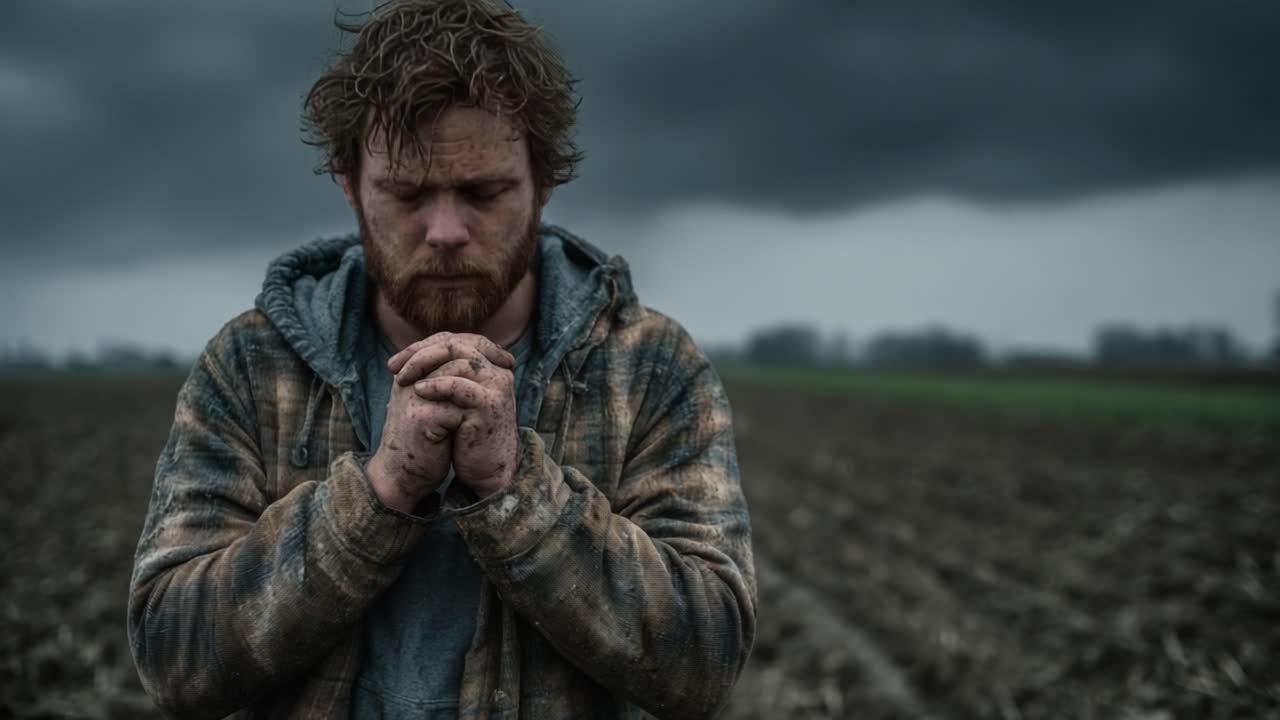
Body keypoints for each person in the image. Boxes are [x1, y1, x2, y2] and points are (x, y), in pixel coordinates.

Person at [126, 1, 756, 718]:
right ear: (349, 186)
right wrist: (380, 492)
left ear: (543, 180)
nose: (447, 230)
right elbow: (170, 655)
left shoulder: (649, 369)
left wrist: (514, 489)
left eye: (483, 192)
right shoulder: (251, 364)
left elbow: (708, 658)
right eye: (407, 193)